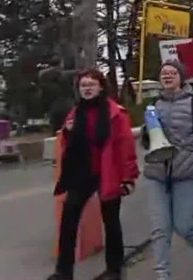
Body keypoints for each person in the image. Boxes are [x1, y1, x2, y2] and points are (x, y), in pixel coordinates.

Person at [48, 69, 139, 280]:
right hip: (83, 173)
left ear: (100, 87)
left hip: (109, 172)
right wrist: (68, 132)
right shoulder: (75, 112)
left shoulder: (115, 113)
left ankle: (114, 270)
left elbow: (126, 146)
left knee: (111, 222)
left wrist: (128, 178)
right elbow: (67, 144)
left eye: (91, 85)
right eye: (83, 86)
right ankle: (63, 272)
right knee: (68, 221)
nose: (87, 89)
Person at [142, 60, 193, 280]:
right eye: (163, 73)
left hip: (186, 173)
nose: (167, 76)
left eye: (172, 72)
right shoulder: (153, 106)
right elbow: (146, 142)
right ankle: (162, 274)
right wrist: (146, 131)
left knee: (185, 225)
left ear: (181, 77)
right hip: (157, 173)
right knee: (160, 229)